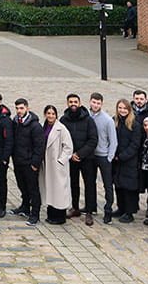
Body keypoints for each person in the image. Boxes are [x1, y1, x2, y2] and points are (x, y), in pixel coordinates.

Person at [60, 94, 98, 226]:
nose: (73, 104)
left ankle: (89, 211)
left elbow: (93, 140)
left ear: (80, 103)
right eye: (70, 102)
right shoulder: (64, 120)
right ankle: (75, 207)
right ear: (67, 104)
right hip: (71, 158)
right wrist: (70, 154)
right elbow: (61, 139)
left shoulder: (88, 120)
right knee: (73, 183)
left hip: (87, 158)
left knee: (89, 184)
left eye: (75, 102)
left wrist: (80, 154)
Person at [11, 99, 44, 226]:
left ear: (27, 108)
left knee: (33, 189)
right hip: (18, 161)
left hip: (30, 163)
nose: (19, 111)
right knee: (22, 186)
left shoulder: (35, 126)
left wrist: (35, 163)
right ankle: (25, 207)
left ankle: (35, 214)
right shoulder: (16, 123)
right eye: (17, 108)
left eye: (21, 108)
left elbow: (39, 147)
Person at [40, 105, 74, 225]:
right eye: (48, 113)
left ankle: (60, 216)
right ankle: (51, 214)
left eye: (53, 114)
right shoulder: (44, 127)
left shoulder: (61, 129)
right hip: (47, 163)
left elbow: (68, 147)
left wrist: (61, 160)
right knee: (50, 190)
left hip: (57, 165)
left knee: (59, 191)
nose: (50, 116)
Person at [86, 93, 117, 223]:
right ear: (90, 102)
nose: (95, 105)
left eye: (98, 103)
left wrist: (109, 157)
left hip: (103, 156)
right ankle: (91, 207)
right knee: (90, 182)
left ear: (102, 104)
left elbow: (113, 141)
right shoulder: (86, 116)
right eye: (94, 102)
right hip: (90, 156)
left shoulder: (108, 120)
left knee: (107, 185)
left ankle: (108, 210)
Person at [112, 100, 142, 223]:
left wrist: (123, 156)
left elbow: (135, 144)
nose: (122, 110)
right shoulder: (115, 121)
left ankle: (130, 212)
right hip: (116, 159)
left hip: (129, 160)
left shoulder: (134, 124)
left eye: (125, 108)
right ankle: (121, 208)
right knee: (118, 185)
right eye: (120, 108)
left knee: (129, 187)